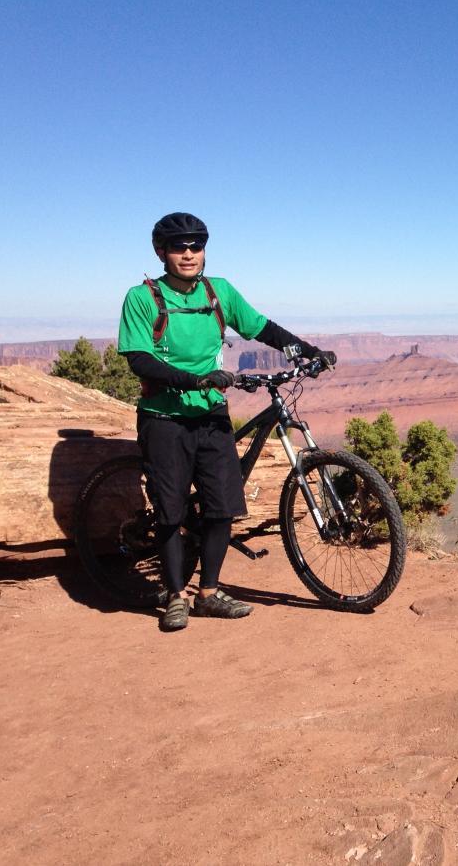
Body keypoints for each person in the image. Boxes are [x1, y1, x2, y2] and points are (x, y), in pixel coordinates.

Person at [118, 212, 336, 632]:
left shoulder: (220, 292)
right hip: (165, 416)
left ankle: (208, 593)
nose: (188, 253)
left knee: (221, 506)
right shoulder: (142, 298)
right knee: (170, 509)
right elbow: (138, 358)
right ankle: (176, 596)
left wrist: (308, 350)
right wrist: (191, 378)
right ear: (161, 252)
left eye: (196, 245)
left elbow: (261, 328)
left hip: (211, 413)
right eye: (179, 246)